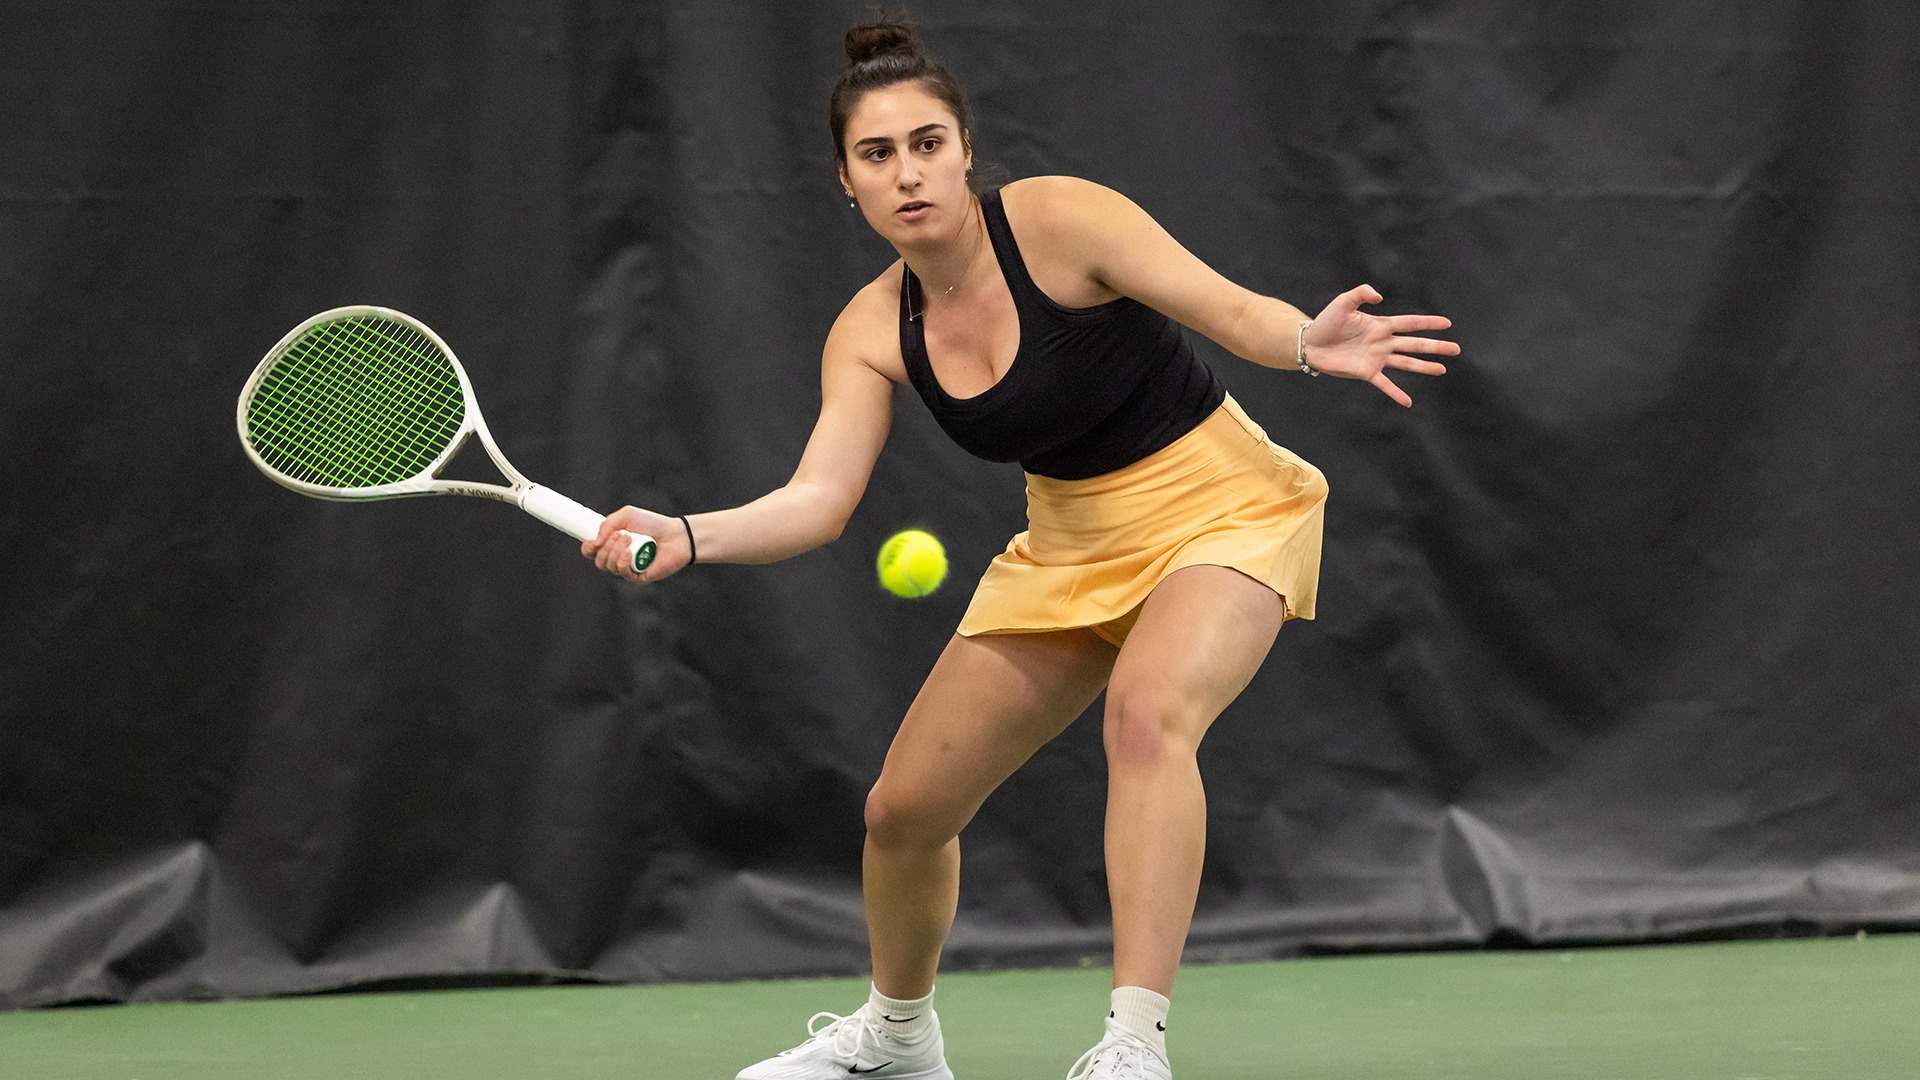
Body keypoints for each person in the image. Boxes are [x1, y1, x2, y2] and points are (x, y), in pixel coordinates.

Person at [585, 16, 1456, 1080]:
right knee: (903, 813)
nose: (908, 173)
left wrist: (1305, 343)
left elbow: (1233, 313)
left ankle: (1133, 1048)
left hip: (1225, 505)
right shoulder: (871, 329)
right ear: (846, 183)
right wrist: (687, 534)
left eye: (927, 144)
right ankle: (899, 1041)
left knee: (1148, 714)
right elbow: (818, 500)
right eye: (877, 155)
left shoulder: (1060, 220)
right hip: (1069, 545)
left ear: (964, 150)